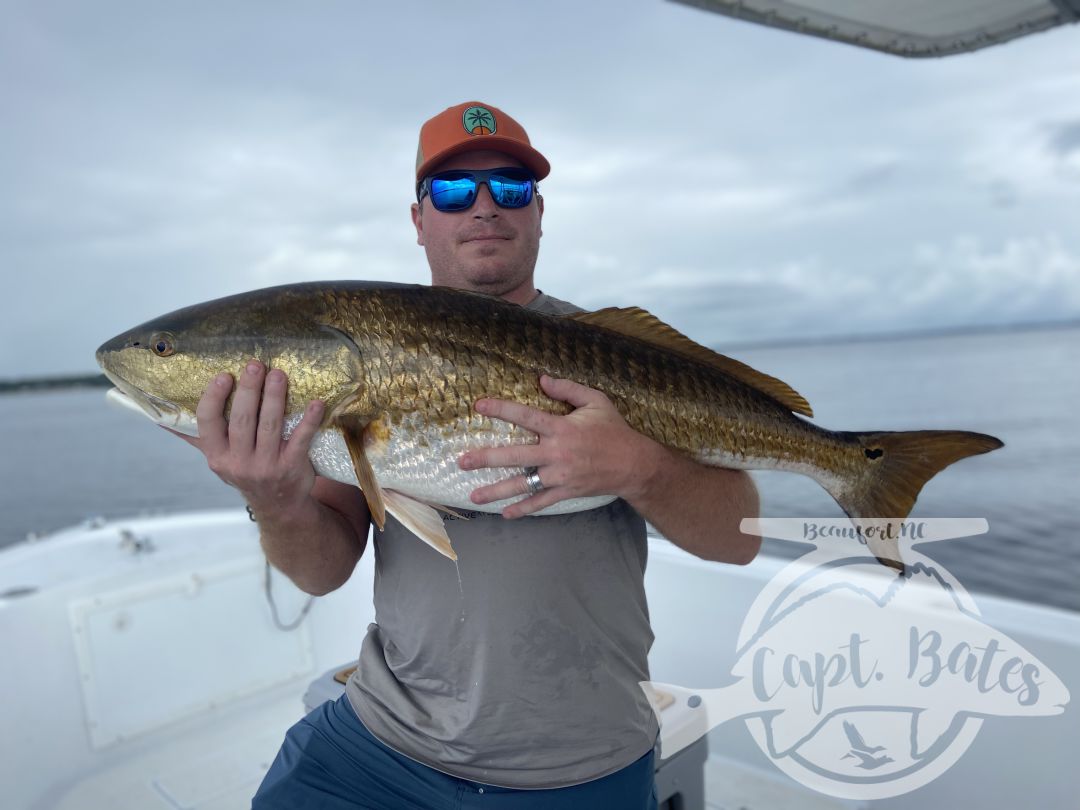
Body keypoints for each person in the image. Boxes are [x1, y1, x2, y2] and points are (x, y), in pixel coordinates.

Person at [183, 101, 761, 809]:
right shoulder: (361, 369)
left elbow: (739, 541)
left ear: (539, 213)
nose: (484, 207)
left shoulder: (617, 358)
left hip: (580, 764)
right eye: (456, 191)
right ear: (420, 220)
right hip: (381, 741)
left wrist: (640, 466)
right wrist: (274, 502)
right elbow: (322, 570)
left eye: (509, 189)